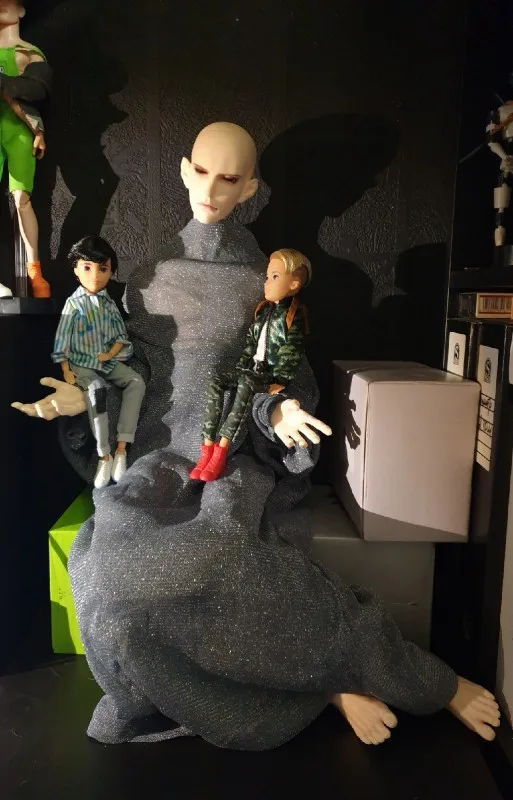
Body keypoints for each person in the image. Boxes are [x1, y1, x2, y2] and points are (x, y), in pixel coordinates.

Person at [12, 122, 500, 748]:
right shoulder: (146, 278)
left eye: (230, 179)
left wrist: (278, 413)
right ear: (183, 170)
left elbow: (277, 374)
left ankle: (388, 673)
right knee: (106, 570)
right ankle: (316, 685)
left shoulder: (264, 281)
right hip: (156, 458)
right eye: (203, 171)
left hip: (229, 454)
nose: (212, 190)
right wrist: (85, 398)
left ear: (249, 189)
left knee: (225, 552)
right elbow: (130, 370)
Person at [191, 248, 312, 482]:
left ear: (294, 284)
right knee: (216, 382)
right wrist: (241, 365)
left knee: (245, 386)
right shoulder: (263, 311)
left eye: (274, 277)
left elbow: (291, 352)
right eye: (268, 276)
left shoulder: (293, 317)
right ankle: (206, 447)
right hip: (249, 369)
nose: (267, 282)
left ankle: (221, 451)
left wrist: (281, 380)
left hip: (266, 374)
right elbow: (250, 343)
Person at [51, 236, 145, 488]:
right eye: (87, 267)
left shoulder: (109, 304)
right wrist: (65, 368)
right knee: (96, 390)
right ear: (76, 269)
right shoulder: (73, 304)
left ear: (111, 271)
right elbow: (62, 338)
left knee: (136, 382)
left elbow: (120, 335)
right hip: (82, 363)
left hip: (107, 362)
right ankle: (104, 455)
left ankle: (122, 448)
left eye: (102, 268)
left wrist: (111, 353)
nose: (95, 275)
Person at [0, 1, 51, 298]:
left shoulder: (28, 52)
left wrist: (38, 130)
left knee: (22, 199)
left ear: (21, 10)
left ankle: (35, 271)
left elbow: (38, 89)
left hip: (19, 130)